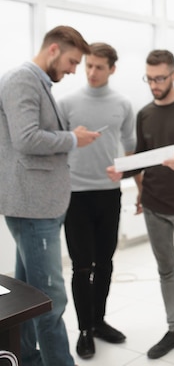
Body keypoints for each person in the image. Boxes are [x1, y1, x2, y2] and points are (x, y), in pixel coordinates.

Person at [0, 25, 99, 366]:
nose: (74, 70)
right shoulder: (22, 79)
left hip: (38, 205)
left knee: (27, 295)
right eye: (72, 61)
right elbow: (27, 139)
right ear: (54, 50)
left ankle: (26, 357)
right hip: (33, 206)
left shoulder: (36, 82)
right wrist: (73, 139)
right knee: (50, 299)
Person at [107, 49, 174, 359]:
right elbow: (142, 156)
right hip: (153, 206)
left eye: (160, 78)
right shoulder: (145, 114)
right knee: (166, 271)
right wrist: (122, 172)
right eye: (149, 79)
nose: (154, 85)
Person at [58, 42, 140, 359]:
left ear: (112, 69)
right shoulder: (66, 103)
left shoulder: (123, 103)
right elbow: (55, 146)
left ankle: (98, 321)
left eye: (99, 67)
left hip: (108, 195)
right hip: (75, 196)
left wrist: (132, 179)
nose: (91, 72)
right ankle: (83, 330)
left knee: (105, 263)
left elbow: (131, 148)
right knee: (82, 267)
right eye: (88, 65)